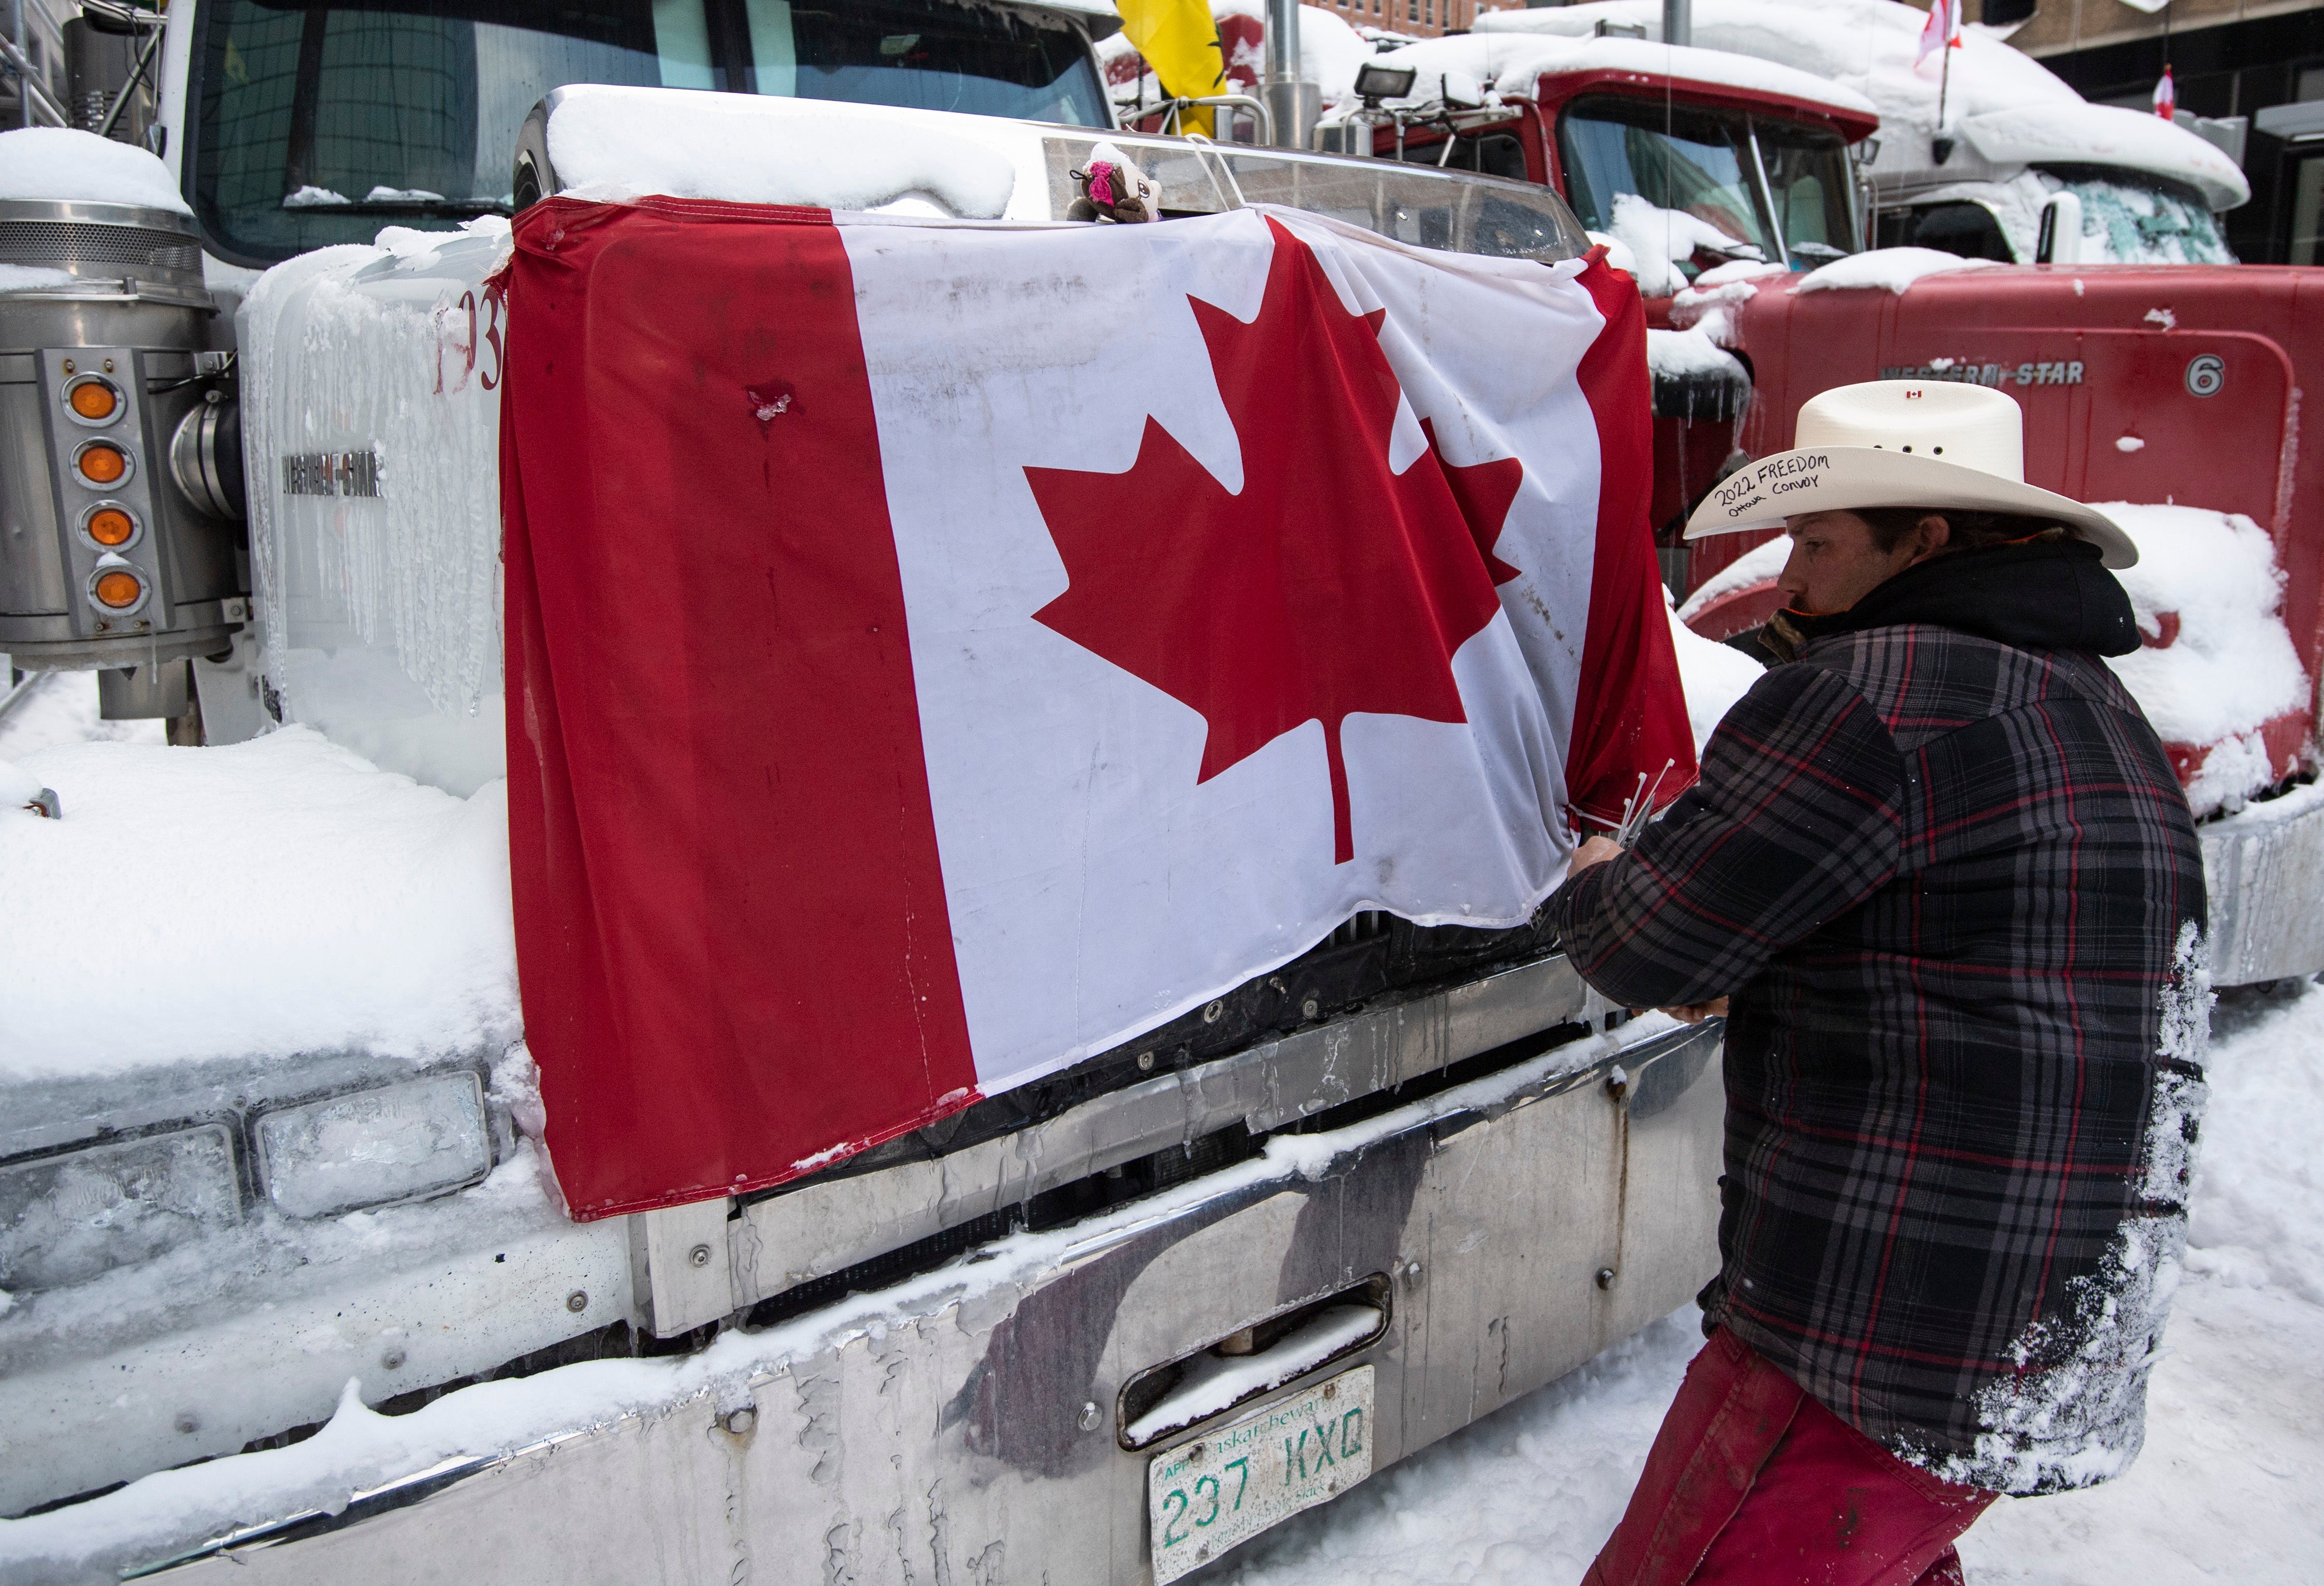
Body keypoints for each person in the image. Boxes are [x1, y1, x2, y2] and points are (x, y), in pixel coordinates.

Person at [1548, 381, 2209, 1586]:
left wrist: (1599, 867)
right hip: (2039, 1318)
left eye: (1818, 542)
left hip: (1878, 1327)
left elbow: (1650, 944)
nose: (1788, 583)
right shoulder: (2094, 703)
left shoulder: (1876, 688)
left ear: (1929, 541)